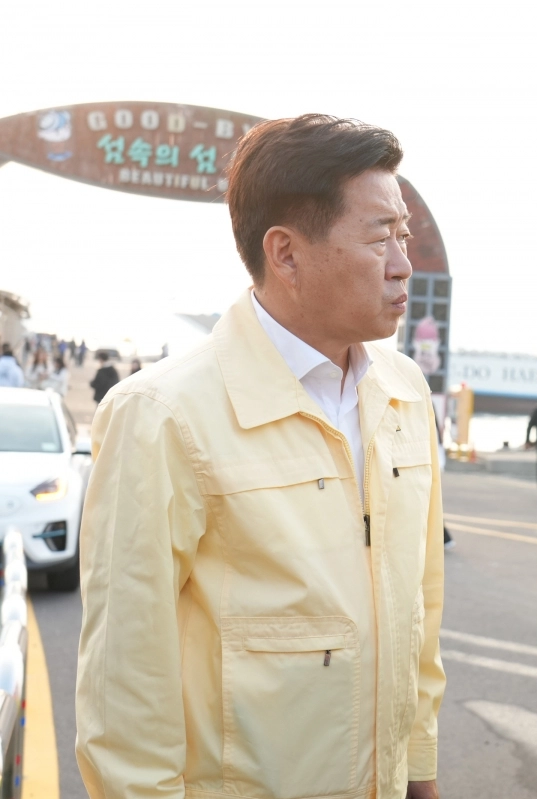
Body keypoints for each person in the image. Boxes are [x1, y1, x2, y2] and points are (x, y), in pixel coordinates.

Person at [76, 115, 445, 799]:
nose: (403, 263)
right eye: (379, 237)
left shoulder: (404, 394)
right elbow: (123, 689)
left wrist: (418, 771)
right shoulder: (162, 416)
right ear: (286, 253)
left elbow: (418, 610)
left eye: (403, 234)